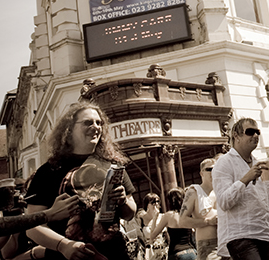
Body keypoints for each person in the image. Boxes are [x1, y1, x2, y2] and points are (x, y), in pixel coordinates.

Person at [25, 102, 137, 260]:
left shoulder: (113, 165)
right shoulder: (49, 171)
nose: (96, 126)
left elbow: (130, 214)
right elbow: (31, 227)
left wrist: (123, 201)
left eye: (99, 123)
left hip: (114, 254)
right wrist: (63, 245)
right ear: (69, 129)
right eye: (88, 122)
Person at [213, 118, 269, 260]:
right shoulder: (223, 163)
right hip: (240, 236)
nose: (255, 136)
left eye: (257, 132)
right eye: (250, 132)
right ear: (236, 136)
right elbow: (223, 202)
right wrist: (245, 179)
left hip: (265, 235)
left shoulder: (260, 164)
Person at [180, 159, 220, 260]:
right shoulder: (194, 192)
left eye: (215, 169)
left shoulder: (221, 190)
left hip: (228, 242)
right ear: (201, 173)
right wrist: (208, 222)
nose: (213, 172)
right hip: (208, 246)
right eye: (209, 169)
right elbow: (182, 221)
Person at [148, 189, 197, 260]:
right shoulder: (188, 214)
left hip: (176, 254)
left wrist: (155, 217)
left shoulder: (169, 215)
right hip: (191, 252)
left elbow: (152, 236)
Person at [139, 194, 169, 260]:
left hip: (163, 250)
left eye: (158, 201)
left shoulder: (163, 217)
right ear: (147, 205)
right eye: (153, 202)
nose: (156, 204)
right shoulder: (141, 219)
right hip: (149, 252)